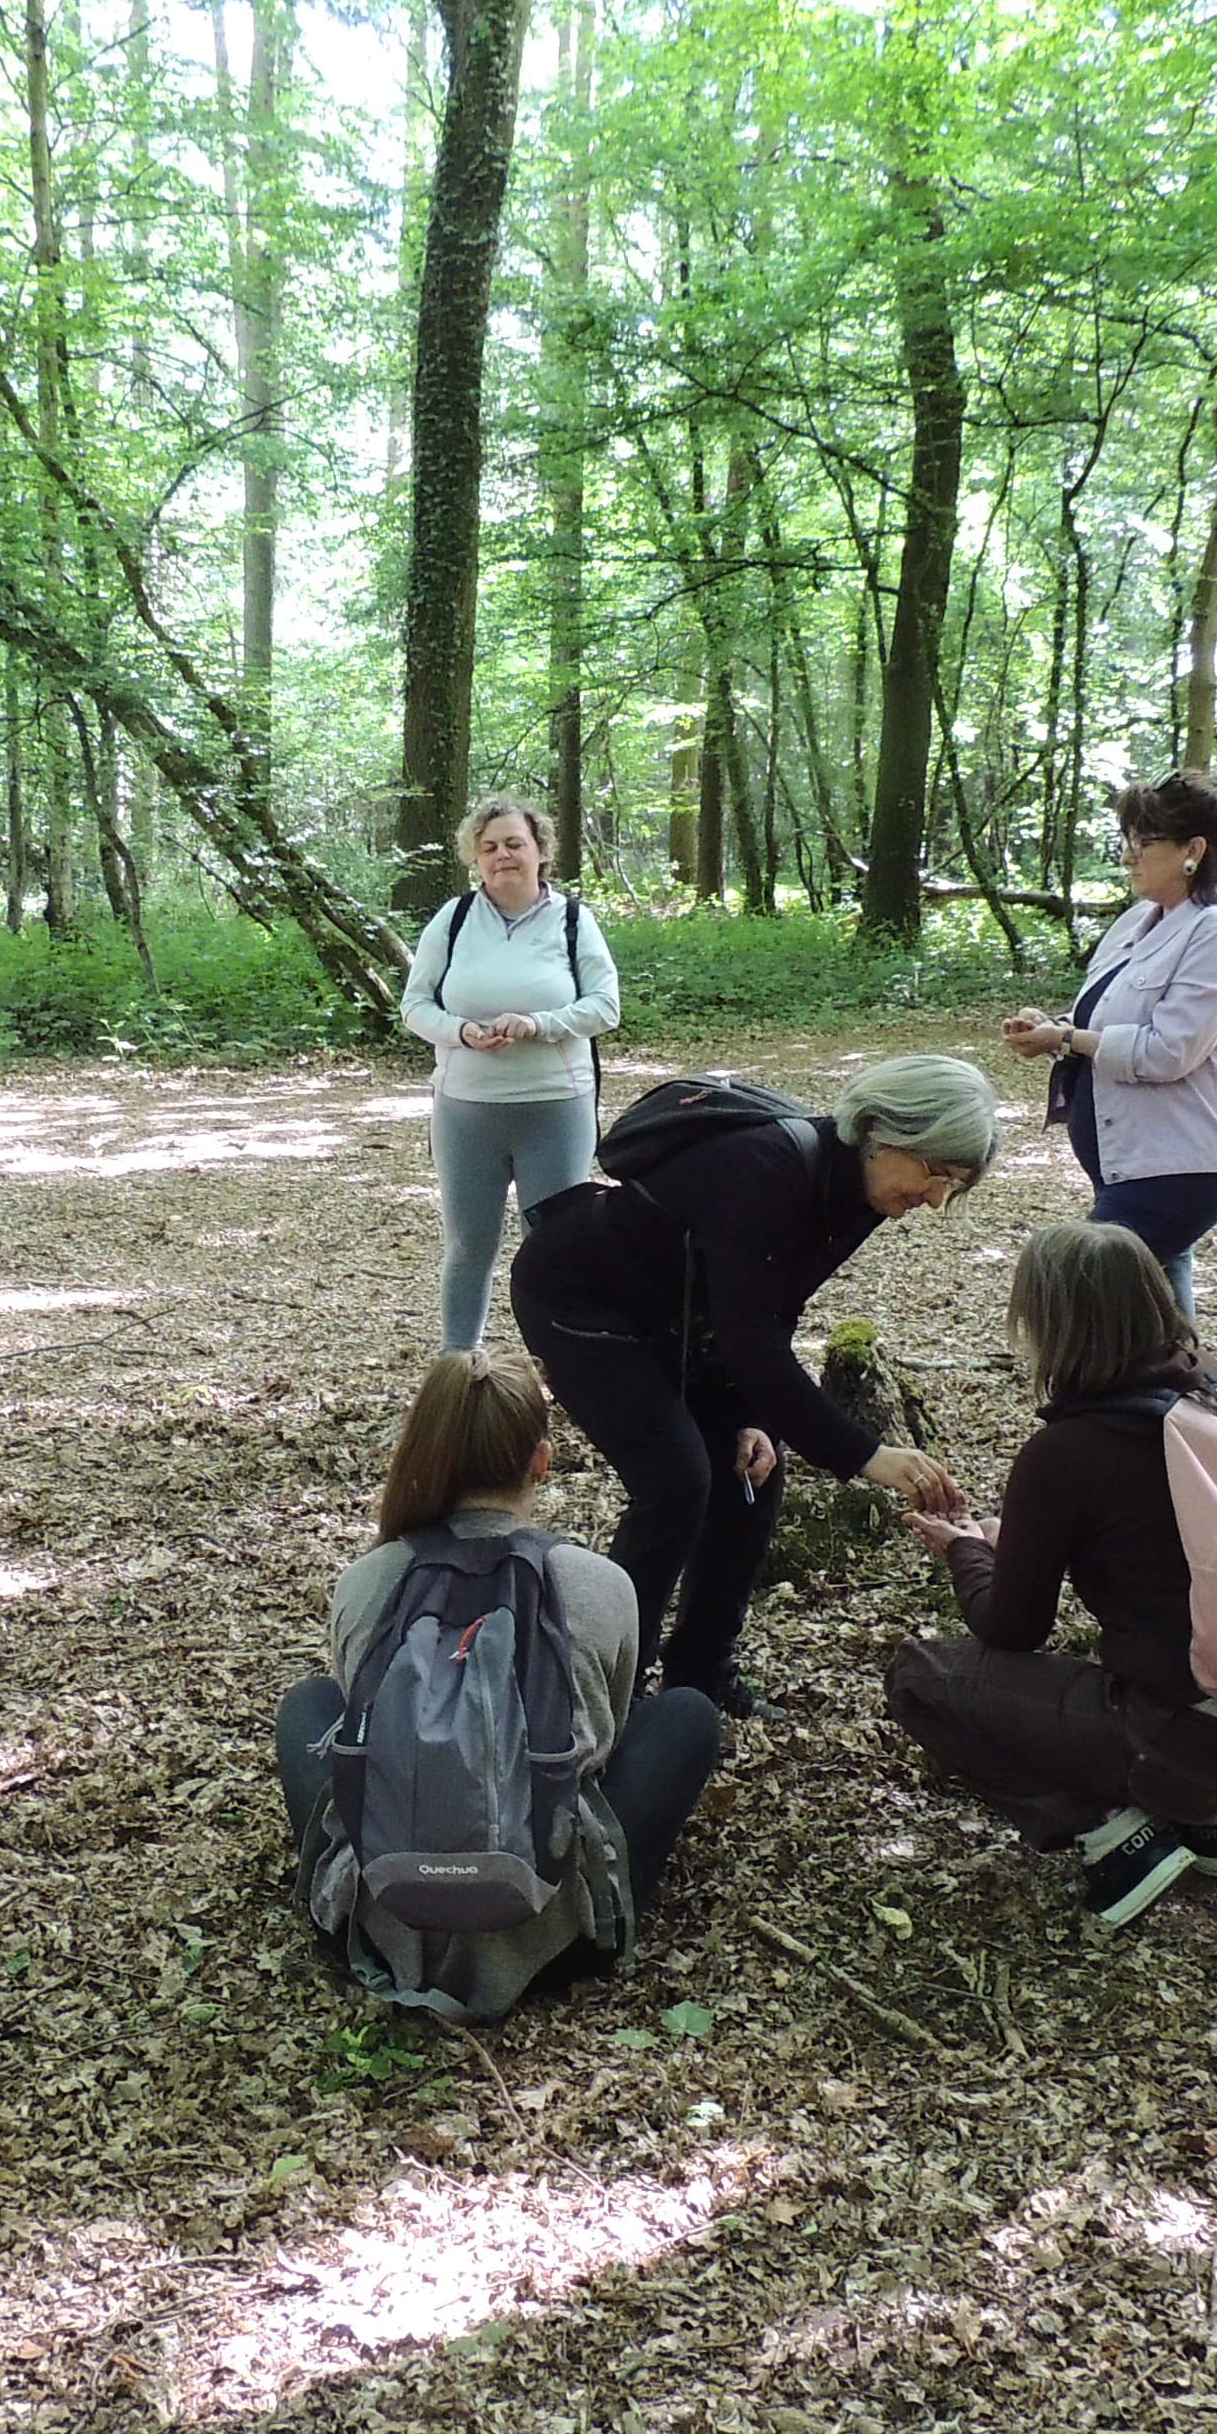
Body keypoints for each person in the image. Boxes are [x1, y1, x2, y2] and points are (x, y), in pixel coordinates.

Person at [508, 1054, 995, 1712]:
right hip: (576, 1301)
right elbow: (748, 1340)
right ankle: (601, 1686)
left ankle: (699, 1675)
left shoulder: (864, 1193)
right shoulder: (767, 1167)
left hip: (677, 1319)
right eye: (934, 1171)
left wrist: (749, 1416)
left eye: (954, 1184)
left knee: (752, 1479)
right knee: (675, 1481)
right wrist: (865, 1455)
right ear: (880, 1130)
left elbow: (770, 1311)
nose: (934, 1198)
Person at [886, 1224, 1217, 1924]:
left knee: (919, 1677)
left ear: (1052, 1326)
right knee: (1150, 1655)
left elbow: (1012, 1627)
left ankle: (1117, 1838)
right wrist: (1014, 1541)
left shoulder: (1067, 1451)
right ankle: (1207, 1826)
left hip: (1186, 1741)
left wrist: (964, 1550)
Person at [275, 1350, 723, 2020]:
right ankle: (571, 1919)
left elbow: (364, 1745)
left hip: (383, 1927)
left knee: (308, 1704)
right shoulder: (600, 1583)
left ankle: (344, 1898)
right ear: (540, 1462)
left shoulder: (368, 1581)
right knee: (687, 1713)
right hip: (555, 1938)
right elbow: (607, 1734)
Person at [1001, 770, 1217, 1318]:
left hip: (1182, 1165)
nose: (1129, 855)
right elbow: (1102, 1019)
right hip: (1131, 1160)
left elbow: (1167, 1051)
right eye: (1130, 840)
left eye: (1144, 843)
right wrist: (1049, 1029)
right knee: (1159, 1310)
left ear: (1192, 850)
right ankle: (1191, 1397)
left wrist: (1069, 1038)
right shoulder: (1138, 920)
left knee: (1084, 1289)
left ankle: (1132, 1398)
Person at [400, 799, 623, 1352]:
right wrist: (460, 1032)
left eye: (515, 844)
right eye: (489, 847)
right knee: (469, 1245)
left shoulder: (572, 920)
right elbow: (415, 1006)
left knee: (551, 1246)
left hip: (556, 1109)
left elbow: (605, 1006)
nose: (503, 856)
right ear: (475, 859)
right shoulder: (452, 920)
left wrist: (538, 1024)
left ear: (540, 851)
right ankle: (459, 1373)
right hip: (465, 1111)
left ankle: (559, 1363)